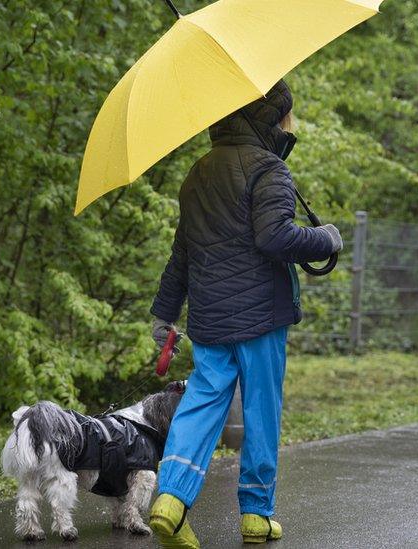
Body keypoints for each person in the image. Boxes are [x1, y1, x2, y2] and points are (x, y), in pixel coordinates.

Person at [146, 80, 342, 548]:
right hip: (261, 318)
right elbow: (274, 237)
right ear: (269, 118)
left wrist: (164, 313)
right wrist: (326, 238)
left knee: (201, 403)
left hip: (211, 317)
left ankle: (170, 501)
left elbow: (183, 253)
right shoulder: (267, 167)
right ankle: (256, 514)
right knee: (260, 411)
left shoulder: (198, 172)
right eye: (285, 114)